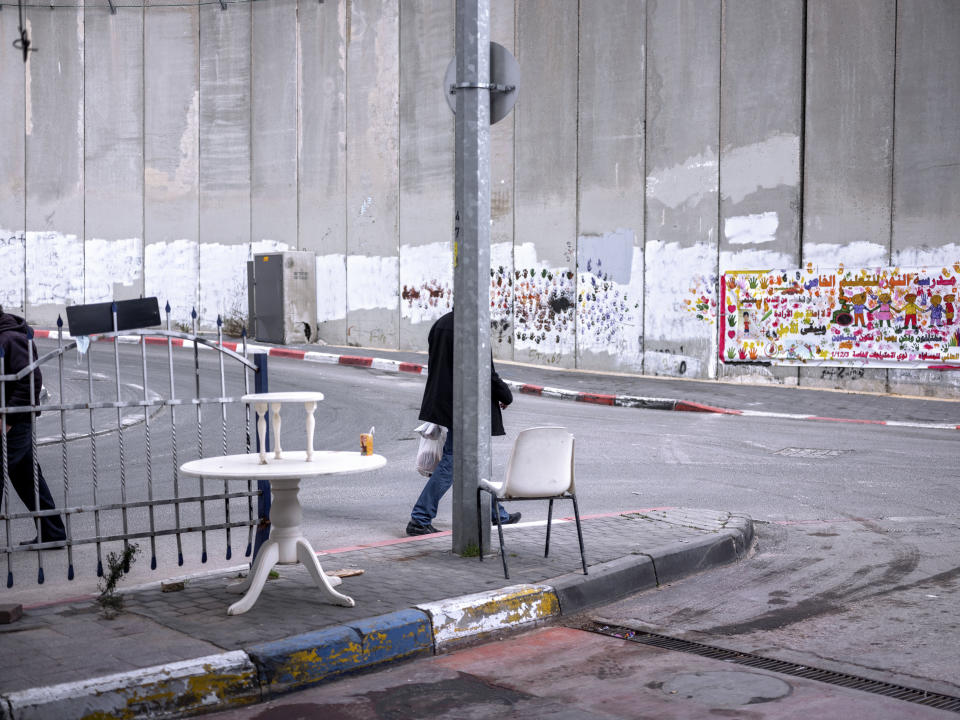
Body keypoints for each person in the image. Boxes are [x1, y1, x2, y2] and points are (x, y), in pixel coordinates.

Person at [407, 310, 520, 536]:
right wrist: (505, 395)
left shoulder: (441, 324)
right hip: (466, 408)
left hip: (447, 403)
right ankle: (420, 518)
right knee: (454, 462)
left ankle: (495, 513)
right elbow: (485, 372)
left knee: (473, 462)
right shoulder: (471, 329)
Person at [0, 305, 66, 545]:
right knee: (28, 478)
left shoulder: (10, 338)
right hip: (10, 421)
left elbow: (31, 379)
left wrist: (10, 418)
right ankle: (52, 532)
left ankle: (52, 532)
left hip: (12, 423)